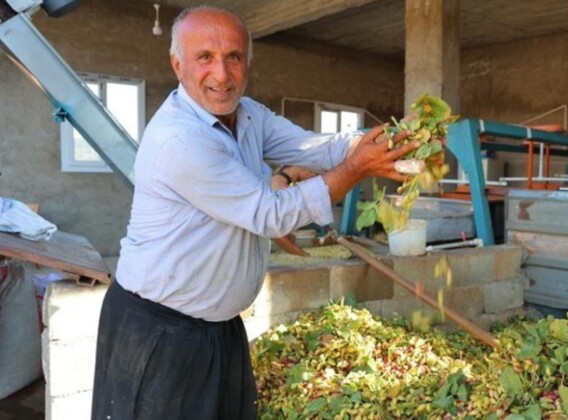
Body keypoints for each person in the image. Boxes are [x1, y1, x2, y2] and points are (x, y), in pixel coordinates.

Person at [91, 6, 420, 420]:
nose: (222, 75)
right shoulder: (179, 139)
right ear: (177, 65)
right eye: (205, 57)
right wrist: (357, 169)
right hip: (160, 332)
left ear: (247, 62)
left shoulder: (248, 115)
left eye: (234, 57)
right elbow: (270, 214)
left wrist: (386, 141)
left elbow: (313, 148)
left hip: (217, 326)